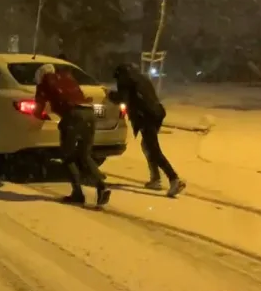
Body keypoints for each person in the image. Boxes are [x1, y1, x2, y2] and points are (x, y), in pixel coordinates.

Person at [33, 63, 111, 206]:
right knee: (85, 154)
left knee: (67, 156)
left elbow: (38, 107)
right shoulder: (67, 78)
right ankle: (102, 186)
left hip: (73, 116)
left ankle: (77, 193)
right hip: (89, 114)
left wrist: (41, 116)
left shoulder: (45, 82)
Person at [109, 63, 186, 197]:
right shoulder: (141, 78)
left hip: (146, 115)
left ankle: (174, 179)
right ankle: (155, 178)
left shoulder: (126, 81)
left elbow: (123, 98)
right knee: (147, 145)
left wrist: (110, 95)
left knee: (153, 149)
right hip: (157, 112)